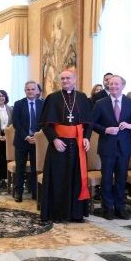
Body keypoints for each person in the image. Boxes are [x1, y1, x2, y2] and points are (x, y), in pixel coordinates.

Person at [39, 68, 93, 223]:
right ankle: (57, 214)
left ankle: (76, 214)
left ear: (75, 79)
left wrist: (87, 138)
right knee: (58, 179)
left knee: (76, 178)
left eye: (68, 78)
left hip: (77, 145)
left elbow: (89, 123)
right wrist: (54, 139)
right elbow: (45, 124)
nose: (65, 81)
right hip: (59, 145)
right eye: (62, 79)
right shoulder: (53, 98)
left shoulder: (82, 98)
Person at [91, 76, 131, 219]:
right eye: (111, 84)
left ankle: (120, 207)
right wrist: (105, 130)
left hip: (124, 147)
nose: (113, 86)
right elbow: (92, 123)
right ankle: (108, 208)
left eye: (116, 84)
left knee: (121, 178)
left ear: (123, 86)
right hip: (107, 146)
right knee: (107, 179)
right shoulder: (100, 103)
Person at [11, 81, 44, 202]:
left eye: (32, 89)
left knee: (36, 168)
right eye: (28, 89)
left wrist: (37, 136)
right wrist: (26, 136)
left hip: (37, 141)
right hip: (22, 140)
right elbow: (16, 123)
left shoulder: (42, 104)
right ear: (25, 91)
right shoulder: (18, 104)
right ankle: (18, 193)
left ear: (37, 91)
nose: (30, 91)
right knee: (20, 168)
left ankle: (35, 193)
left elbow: (44, 122)